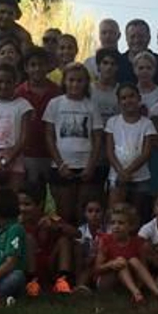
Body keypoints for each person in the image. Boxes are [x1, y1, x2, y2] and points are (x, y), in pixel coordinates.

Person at [43, 62, 100, 223]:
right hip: (62, 164)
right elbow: (49, 136)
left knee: (82, 211)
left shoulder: (91, 105)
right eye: (71, 80)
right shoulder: (55, 104)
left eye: (80, 81)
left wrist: (91, 165)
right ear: (64, 81)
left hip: (85, 165)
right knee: (64, 211)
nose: (75, 84)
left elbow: (97, 138)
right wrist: (60, 164)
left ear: (86, 83)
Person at [104, 83, 157, 219]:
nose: (128, 100)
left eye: (132, 96)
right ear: (119, 102)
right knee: (115, 214)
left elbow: (146, 153)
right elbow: (109, 151)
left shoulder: (147, 124)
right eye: (124, 98)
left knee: (136, 216)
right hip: (117, 177)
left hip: (140, 178)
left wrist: (127, 172)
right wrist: (120, 172)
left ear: (139, 98)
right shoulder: (112, 122)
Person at [17, 49, 61, 200]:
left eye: (41, 64)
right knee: (31, 194)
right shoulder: (19, 93)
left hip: (53, 152)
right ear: (26, 68)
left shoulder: (57, 92)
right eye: (33, 65)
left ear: (48, 66)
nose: (37, 69)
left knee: (55, 194)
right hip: (28, 152)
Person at [95, 203, 158, 303]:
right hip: (108, 279)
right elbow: (97, 268)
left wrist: (140, 284)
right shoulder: (105, 241)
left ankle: (157, 292)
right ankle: (136, 293)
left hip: (129, 279)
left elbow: (143, 268)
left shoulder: (138, 242)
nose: (116, 226)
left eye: (121, 223)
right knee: (121, 261)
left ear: (131, 226)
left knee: (134, 260)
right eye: (113, 223)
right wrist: (111, 264)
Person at [17, 190, 74, 296]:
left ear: (40, 205)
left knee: (64, 241)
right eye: (19, 204)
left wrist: (56, 226)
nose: (22, 209)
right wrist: (18, 227)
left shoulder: (50, 218)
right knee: (28, 239)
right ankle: (32, 283)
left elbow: (77, 233)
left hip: (50, 262)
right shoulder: (15, 222)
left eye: (27, 204)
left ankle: (63, 281)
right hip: (28, 264)